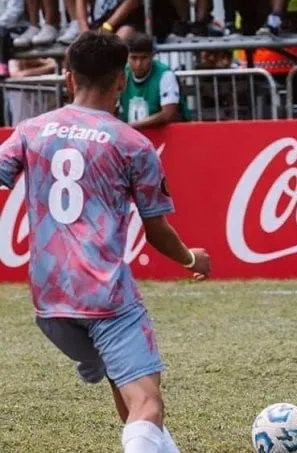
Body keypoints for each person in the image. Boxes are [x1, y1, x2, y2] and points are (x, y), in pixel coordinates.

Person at [0, 30, 212, 453]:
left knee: (128, 389)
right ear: (120, 82)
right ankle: (98, 361)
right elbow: (156, 232)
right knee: (147, 405)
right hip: (106, 299)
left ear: (68, 79)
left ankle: (93, 360)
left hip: (49, 304)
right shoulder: (134, 145)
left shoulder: (30, 130)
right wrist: (191, 258)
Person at [119, 33, 187, 129]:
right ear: (127, 57)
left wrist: (131, 127)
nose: (138, 64)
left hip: (165, 135)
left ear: (152, 56)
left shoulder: (165, 74)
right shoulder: (122, 74)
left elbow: (169, 114)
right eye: (134, 58)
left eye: (144, 58)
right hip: (132, 135)